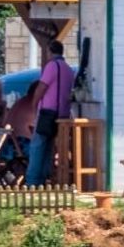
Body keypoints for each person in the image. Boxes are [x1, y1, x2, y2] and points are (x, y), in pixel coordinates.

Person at [24, 40, 76, 187]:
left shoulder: (52, 66)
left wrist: (34, 104)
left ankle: (32, 181)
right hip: (62, 114)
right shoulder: (68, 69)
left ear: (50, 51)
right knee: (49, 148)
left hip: (47, 112)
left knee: (37, 146)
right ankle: (46, 179)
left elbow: (42, 87)